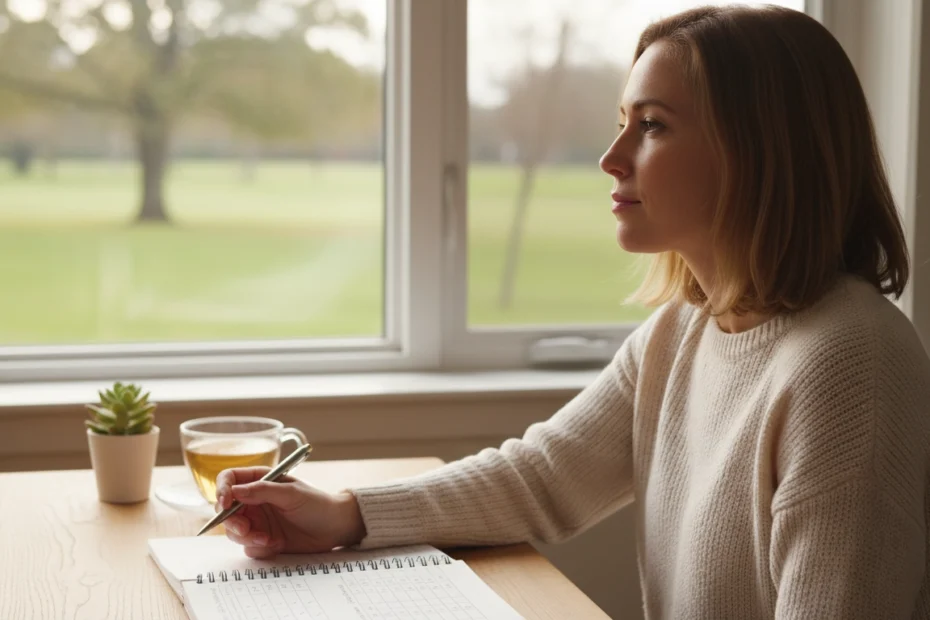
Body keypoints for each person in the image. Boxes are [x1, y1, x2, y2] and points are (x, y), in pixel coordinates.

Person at [215, 5, 930, 618]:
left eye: (652, 126)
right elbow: (542, 477)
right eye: (623, 122)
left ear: (760, 149)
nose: (611, 157)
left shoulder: (850, 363)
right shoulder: (681, 331)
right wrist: (345, 514)